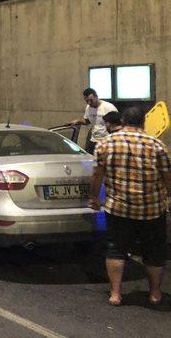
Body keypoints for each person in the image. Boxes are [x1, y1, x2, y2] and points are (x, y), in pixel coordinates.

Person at [89, 106, 171, 307]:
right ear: (143, 122)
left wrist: (94, 198)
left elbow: (97, 175)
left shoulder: (105, 144)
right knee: (153, 253)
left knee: (116, 250)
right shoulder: (158, 145)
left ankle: (116, 294)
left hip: (118, 209)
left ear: (123, 121)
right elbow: (168, 178)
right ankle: (155, 294)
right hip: (152, 210)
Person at [69, 88, 118, 153]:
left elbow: (117, 123)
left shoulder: (108, 107)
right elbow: (87, 121)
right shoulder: (88, 108)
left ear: (96, 97)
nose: (89, 103)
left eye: (91, 100)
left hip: (106, 140)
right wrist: (77, 121)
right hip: (94, 139)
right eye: (87, 101)